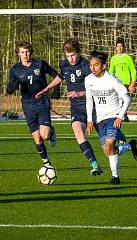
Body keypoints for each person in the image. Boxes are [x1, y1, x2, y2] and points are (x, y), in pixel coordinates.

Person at [35, 39, 103, 176]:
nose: (70, 59)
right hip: (76, 108)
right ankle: (95, 164)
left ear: (78, 53)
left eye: (73, 55)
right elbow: (61, 76)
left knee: (107, 145)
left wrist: (80, 93)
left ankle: (127, 145)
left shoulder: (85, 65)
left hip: (92, 107)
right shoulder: (64, 64)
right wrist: (47, 88)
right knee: (78, 131)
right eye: (68, 56)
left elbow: (96, 86)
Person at [85, 50, 137, 185]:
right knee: (108, 151)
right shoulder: (88, 80)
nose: (93, 68)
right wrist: (89, 120)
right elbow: (89, 100)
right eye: (91, 65)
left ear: (104, 66)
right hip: (100, 120)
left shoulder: (112, 80)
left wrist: (120, 117)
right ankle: (129, 146)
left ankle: (115, 177)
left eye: (96, 65)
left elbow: (126, 98)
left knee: (109, 144)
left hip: (113, 117)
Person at [6, 41, 57, 167]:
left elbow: (56, 75)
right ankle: (47, 164)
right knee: (37, 138)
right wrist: (13, 86)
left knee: (44, 135)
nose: (25, 54)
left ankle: (51, 133)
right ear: (18, 54)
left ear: (31, 52)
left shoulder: (40, 64)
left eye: (27, 52)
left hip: (42, 102)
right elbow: (9, 89)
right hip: (28, 105)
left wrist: (56, 91)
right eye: (22, 52)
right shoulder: (15, 69)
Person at [109, 37, 137, 122]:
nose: (119, 48)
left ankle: (124, 114)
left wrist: (132, 83)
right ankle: (120, 115)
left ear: (123, 47)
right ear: (116, 48)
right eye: (118, 46)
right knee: (117, 100)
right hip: (116, 83)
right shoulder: (113, 59)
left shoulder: (128, 58)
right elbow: (111, 71)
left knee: (125, 99)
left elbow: (133, 70)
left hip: (125, 82)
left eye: (121, 46)